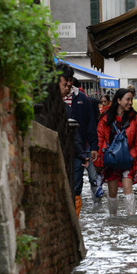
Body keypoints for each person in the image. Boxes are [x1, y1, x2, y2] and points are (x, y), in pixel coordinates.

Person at [95, 88, 137, 216]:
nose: (130, 102)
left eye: (131, 99)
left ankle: (131, 218)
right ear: (118, 100)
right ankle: (113, 219)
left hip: (128, 159)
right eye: (127, 99)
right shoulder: (105, 118)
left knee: (128, 190)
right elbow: (100, 141)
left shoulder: (135, 118)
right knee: (112, 192)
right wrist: (99, 163)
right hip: (110, 160)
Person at [59, 66, 100, 215]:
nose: (68, 85)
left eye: (70, 81)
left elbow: (90, 123)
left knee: (76, 185)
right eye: (66, 81)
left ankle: (75, 220)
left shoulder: (82, 98)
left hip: (79, 148)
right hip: (61, 146)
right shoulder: (52, 99)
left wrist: (94, 146)